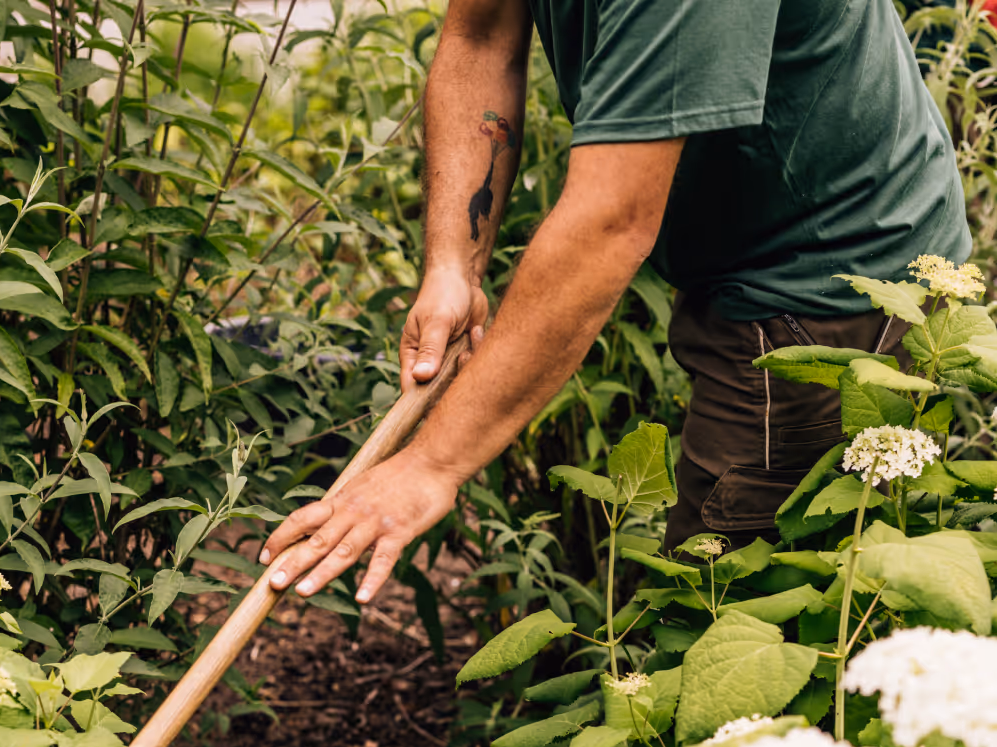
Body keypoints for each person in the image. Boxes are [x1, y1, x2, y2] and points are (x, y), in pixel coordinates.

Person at [259, 0, 970, 598]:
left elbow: (610, 223)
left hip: (830, 282)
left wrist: (429, 466)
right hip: (742, 250)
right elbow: (482, 36)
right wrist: (454, 264)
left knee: (731, 623)